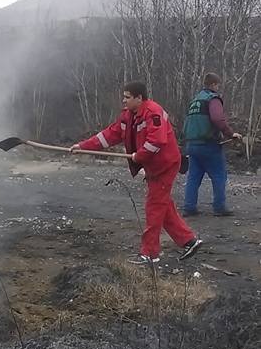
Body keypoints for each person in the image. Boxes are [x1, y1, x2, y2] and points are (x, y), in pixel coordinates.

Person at [71, 81, 202, 266]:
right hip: (153, 166)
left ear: (139, 98)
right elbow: (109, 135)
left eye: (127, 97)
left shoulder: (153, 112)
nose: (123, 101)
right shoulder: (127, 116)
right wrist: (83, 146)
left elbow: (157, 141)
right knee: (162, 205)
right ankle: (189, 241)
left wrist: (138, 156)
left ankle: (150, 254)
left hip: (165, 165)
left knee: (154, 207)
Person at [183, 72, 242, 216]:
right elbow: (217, 119)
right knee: (219, 175)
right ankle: (219, 207)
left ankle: (189, 207)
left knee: (193, 177)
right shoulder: (213, 99)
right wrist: (230, 134)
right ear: (214, 84)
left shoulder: (195, 101)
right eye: (218, 85)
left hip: (192, 145)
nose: (218, 88)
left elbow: (187, 123)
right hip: (208, 144)